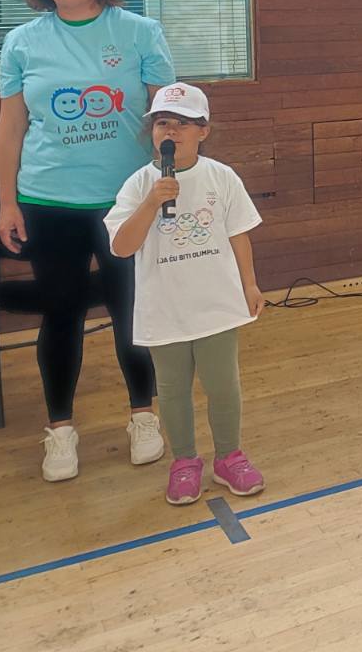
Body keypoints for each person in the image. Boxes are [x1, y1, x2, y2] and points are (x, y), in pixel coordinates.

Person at [0, 0, 175, 483]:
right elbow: (10, 126)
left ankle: (143, 416)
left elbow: (165, 118)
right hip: (48, 201)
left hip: (127, 202)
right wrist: (8, 203)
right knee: (62, 313)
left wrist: (170, 184)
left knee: (132, 313)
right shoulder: (22, 41)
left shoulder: (140, 32)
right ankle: (60, 430)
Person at [105, 84, 266, 505]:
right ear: (152, 132)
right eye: (163, 123)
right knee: (173, 390)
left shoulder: (221, 177)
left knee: (223, 385)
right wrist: (151, 203)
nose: (171, 132)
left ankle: (229, 456)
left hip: (216, 304)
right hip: (165, 308)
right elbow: (122, 246)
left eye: (182, 123)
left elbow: (239, 234)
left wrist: (249, 284)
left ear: (203, 131)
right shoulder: (139, 184)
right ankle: (184, 461)